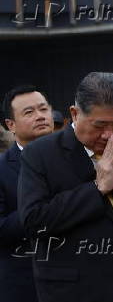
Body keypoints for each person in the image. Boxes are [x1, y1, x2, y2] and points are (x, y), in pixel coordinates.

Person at [18, 73, 113, 302]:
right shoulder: (41, 154)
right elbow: (34, 220)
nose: (109, 135)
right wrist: (96, 189)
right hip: (74, 290)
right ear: (74, 113)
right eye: (100, 125)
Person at [0, 85, 54, 302]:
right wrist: (44, 209)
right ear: (10, 125)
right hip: (23, 284)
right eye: (29, 112)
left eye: (43, 109)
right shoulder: (2, 168)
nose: (40, 116)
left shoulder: (80, 158)